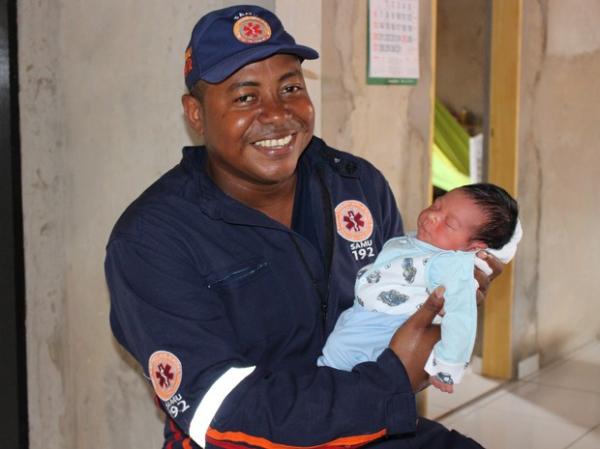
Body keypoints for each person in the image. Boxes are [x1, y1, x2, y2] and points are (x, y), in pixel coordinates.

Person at [105, 5, 503, 449]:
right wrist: (391, 380)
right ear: (195, 114)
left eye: (290, 87)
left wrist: (447, 301)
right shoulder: (153, 239)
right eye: (245, 96)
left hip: (366, 429)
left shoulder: (356, 184)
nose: (277, 114)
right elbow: (218, 414)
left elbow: (399, 322)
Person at [318, 184, 521, 393]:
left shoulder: (451, 264)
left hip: (385, 330)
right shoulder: (422, 242)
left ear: (473, 247)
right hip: (363, 320)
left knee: (337, 380)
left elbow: (461, 315)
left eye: (449, 223)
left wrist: (448, 365)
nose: (433, 216)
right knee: (332, 375)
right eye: (437, 205)